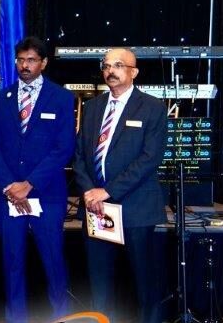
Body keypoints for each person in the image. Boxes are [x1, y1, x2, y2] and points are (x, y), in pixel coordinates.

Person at [72, 48, 167, 323]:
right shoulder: (92, 107)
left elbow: (150, 159)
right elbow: (80, 156)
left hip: (136, 210)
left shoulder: (152, 108)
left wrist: (108, 191)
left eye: (118, 65)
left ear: (133, 72)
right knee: (99, 286)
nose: (110, 70)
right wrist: (91, 192)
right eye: (106, 65)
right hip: (96, 210)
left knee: (143, 286)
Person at [0, 37, 75, 322]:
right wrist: (11, 186)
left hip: (46, 195)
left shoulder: (61, 97)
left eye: (32, 60)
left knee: (53, 261)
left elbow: (64, 148)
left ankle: (61, 316)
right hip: (9, 195)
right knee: (12, 263)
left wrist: (30, 184)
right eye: (21, 60)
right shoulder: (2, 98)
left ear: (44, 63)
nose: (25, 65)